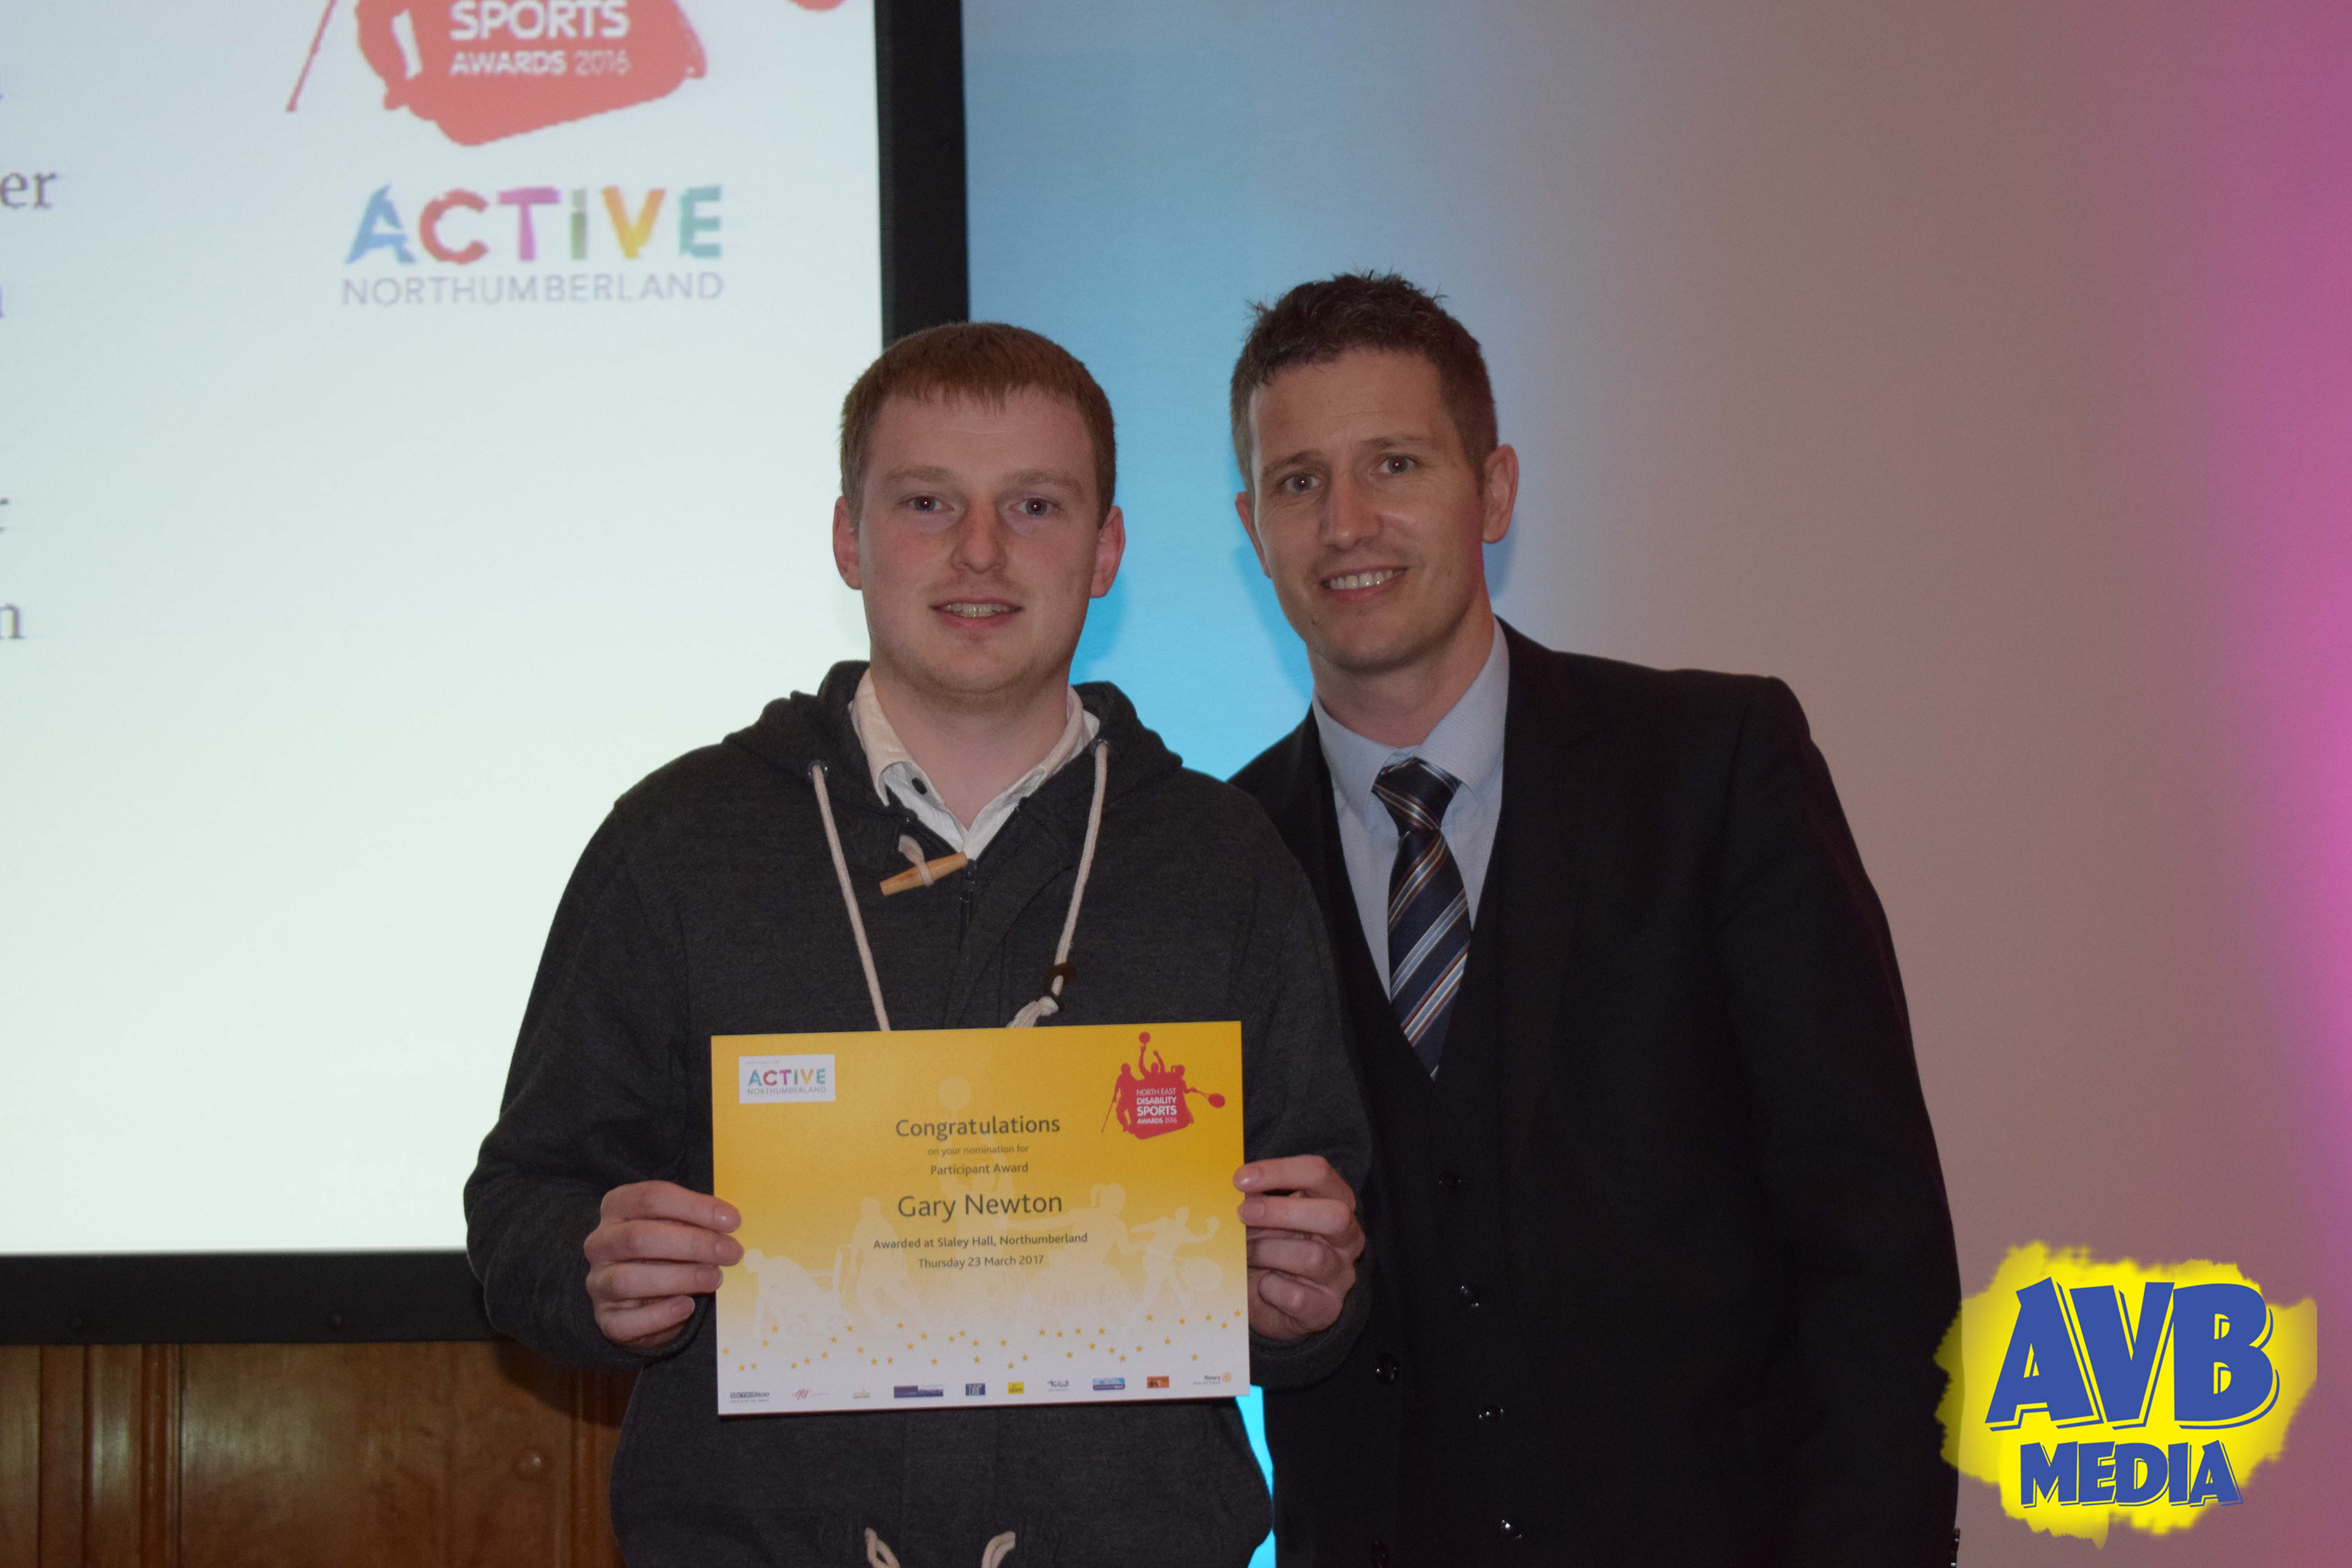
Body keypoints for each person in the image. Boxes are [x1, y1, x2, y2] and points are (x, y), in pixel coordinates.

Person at [466, 323, 1371, 1567]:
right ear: (849, 536)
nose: (980, 550)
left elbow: (1326, 1237)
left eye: (1035, 505)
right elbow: (522, 1203)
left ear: (1106, 549)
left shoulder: (1224, 860)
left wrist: (1305, 1297)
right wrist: (596, 1273)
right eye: (928, 502)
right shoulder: (677, 842)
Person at [1226, 274, 1961, 1566]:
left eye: (1394, 463)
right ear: (1253, 528)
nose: (1346, 522)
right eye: (1298, 481)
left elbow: (1872, 1232)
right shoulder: (1214, 858)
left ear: (1494, 489)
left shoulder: (1715, 767)